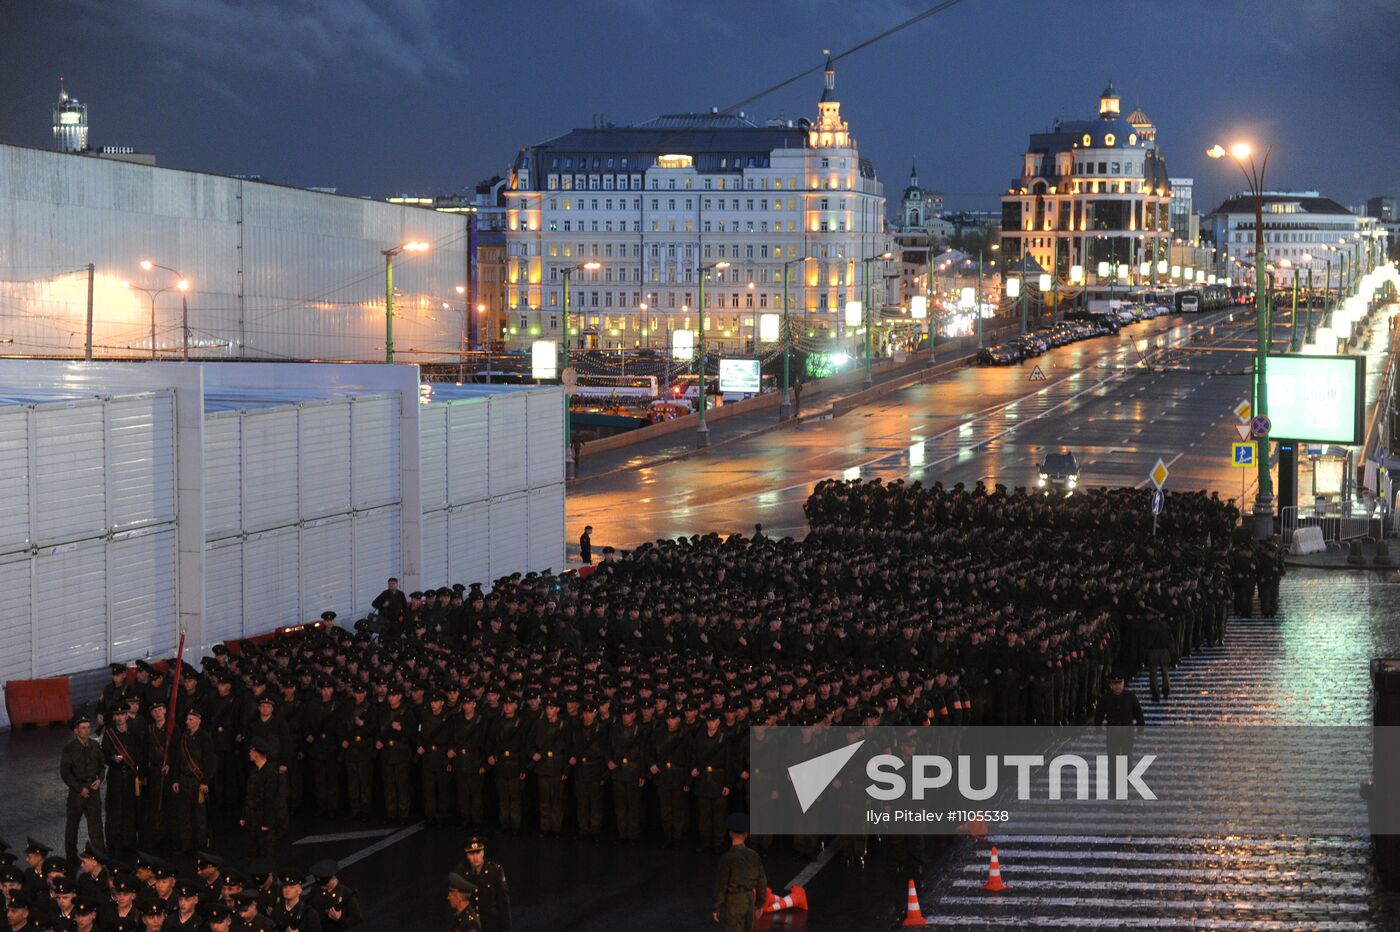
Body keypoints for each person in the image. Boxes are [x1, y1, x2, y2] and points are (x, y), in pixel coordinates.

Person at [60, 715, 106, 868]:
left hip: (93, 790)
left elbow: (101, 767)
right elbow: (65, 773)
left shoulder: (94, 745)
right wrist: (80, 789)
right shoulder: (69, 749)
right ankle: (71, 859)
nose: (87, 731)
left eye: (88, 727)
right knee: (72, 826)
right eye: (83, 728)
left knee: (96, 827)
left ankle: (100, 858)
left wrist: (99, 779)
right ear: (76, 731)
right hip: (77, 793)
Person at [711, 813, 766, 932]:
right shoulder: (754, 856)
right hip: (750, 899)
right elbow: (762, 881)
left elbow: (721, 885)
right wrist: (760, 904)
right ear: (746, 834)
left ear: (730, 833)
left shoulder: (727, 858)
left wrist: (717, 907)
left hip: (734, 901)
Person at [1094, 673, 1146, 793]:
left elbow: (1139, 714)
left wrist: (1140, 732)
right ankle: (1114, 785)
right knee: (1113, 759)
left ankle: (1124, 784)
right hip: (1112, 731)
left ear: (1123, 683)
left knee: (1127, 758)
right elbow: (1099, 716)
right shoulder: (1106, 698)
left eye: (1119, 683)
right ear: (1111, 685)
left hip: (1127, 730)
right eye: (1115, 684)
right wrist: (1099, 732)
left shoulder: (1130, 697)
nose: (1117, 686)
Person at [241, 737, 284, 861]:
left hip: (262, 818)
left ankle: (270, 878)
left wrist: (267, 823)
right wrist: (244, 816)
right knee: (252, 852)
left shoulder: (270, 774)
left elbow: (270, 801)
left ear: (256, 754)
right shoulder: (254, 771)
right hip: (251, 818)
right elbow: (249, 795)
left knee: (265, 853)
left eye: (251, 751)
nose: (249, 753)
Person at [457, 837, 510, 932]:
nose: (475, 857)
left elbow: (503, 906)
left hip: (491, 927)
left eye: (478, 852)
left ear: (483, 852)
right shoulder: (462, 873)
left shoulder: (495, 871)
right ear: (467, 855)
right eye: (471, 853)